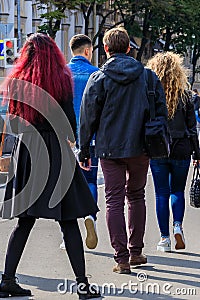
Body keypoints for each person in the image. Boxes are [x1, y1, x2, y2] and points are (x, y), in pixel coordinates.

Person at [0, 33, 100, 299]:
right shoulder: (61, 79)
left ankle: (7, 281)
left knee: (24, 221)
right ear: (53, 53)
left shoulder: (17, 81)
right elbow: (67, 121)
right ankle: (82, 285)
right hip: (54, 150)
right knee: (68, 221)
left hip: (28, 151)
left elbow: (13, 120)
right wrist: (75, 145)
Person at [79, 27, 168, 274]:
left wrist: (84, 148)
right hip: (142, 147)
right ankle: (136, 251)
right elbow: (162, 112)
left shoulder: (99, 78)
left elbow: (87, 117)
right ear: (129, 48)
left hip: (109, 149)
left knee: (113, 199)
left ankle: (121, 259)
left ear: (106, 49)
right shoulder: (149, 77)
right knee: (137, 196)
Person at [146, 52, 200, 252]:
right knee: (177, 190)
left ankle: (164, 239)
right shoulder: (185, 94)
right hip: (182, 147)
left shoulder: (150, 93)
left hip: (158, 148)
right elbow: (192, 127)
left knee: (161, 193)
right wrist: (197, 153)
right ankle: (178, 225)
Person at [62, 34, 99, 250]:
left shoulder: (62, 73)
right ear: (87, 51)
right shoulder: (96, 74)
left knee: (66, 184)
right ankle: (90, 216)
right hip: (90, 138)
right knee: (90, 180)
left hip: (65, 137)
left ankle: (68, 232)